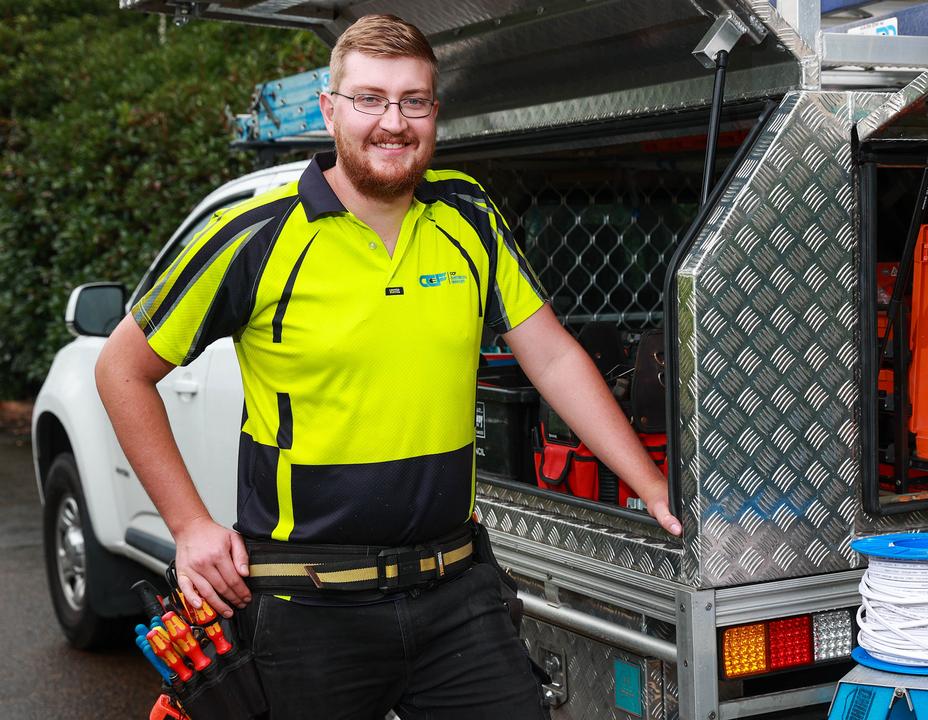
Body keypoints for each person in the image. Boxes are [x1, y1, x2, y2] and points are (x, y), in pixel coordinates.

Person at [96, 13, 681, 720]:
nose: (392, 122)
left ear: (435, 111)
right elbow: (122, 369)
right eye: (370, 98)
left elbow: (552, 355)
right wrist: (189, 527)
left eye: (413, 101)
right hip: (307, 606)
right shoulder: (255, 235)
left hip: (456, 593)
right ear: (330, 108)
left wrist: (649, 483)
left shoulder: (468, 215)